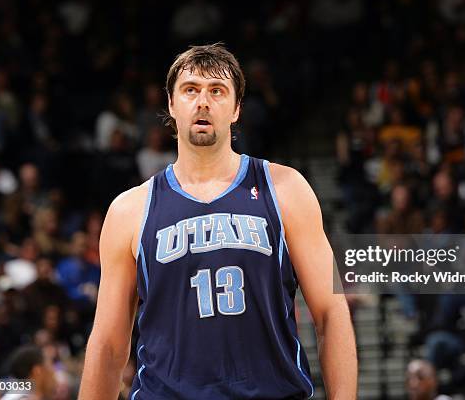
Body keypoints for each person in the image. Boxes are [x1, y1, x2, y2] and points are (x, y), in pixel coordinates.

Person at [79, 43, 357, 399]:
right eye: (190, 89)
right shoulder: (130, 210)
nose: (203, 102)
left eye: (217, 91)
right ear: (171, 104)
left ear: (236, 108)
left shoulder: (285, 189)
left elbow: (331, 312)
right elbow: (108, 345)